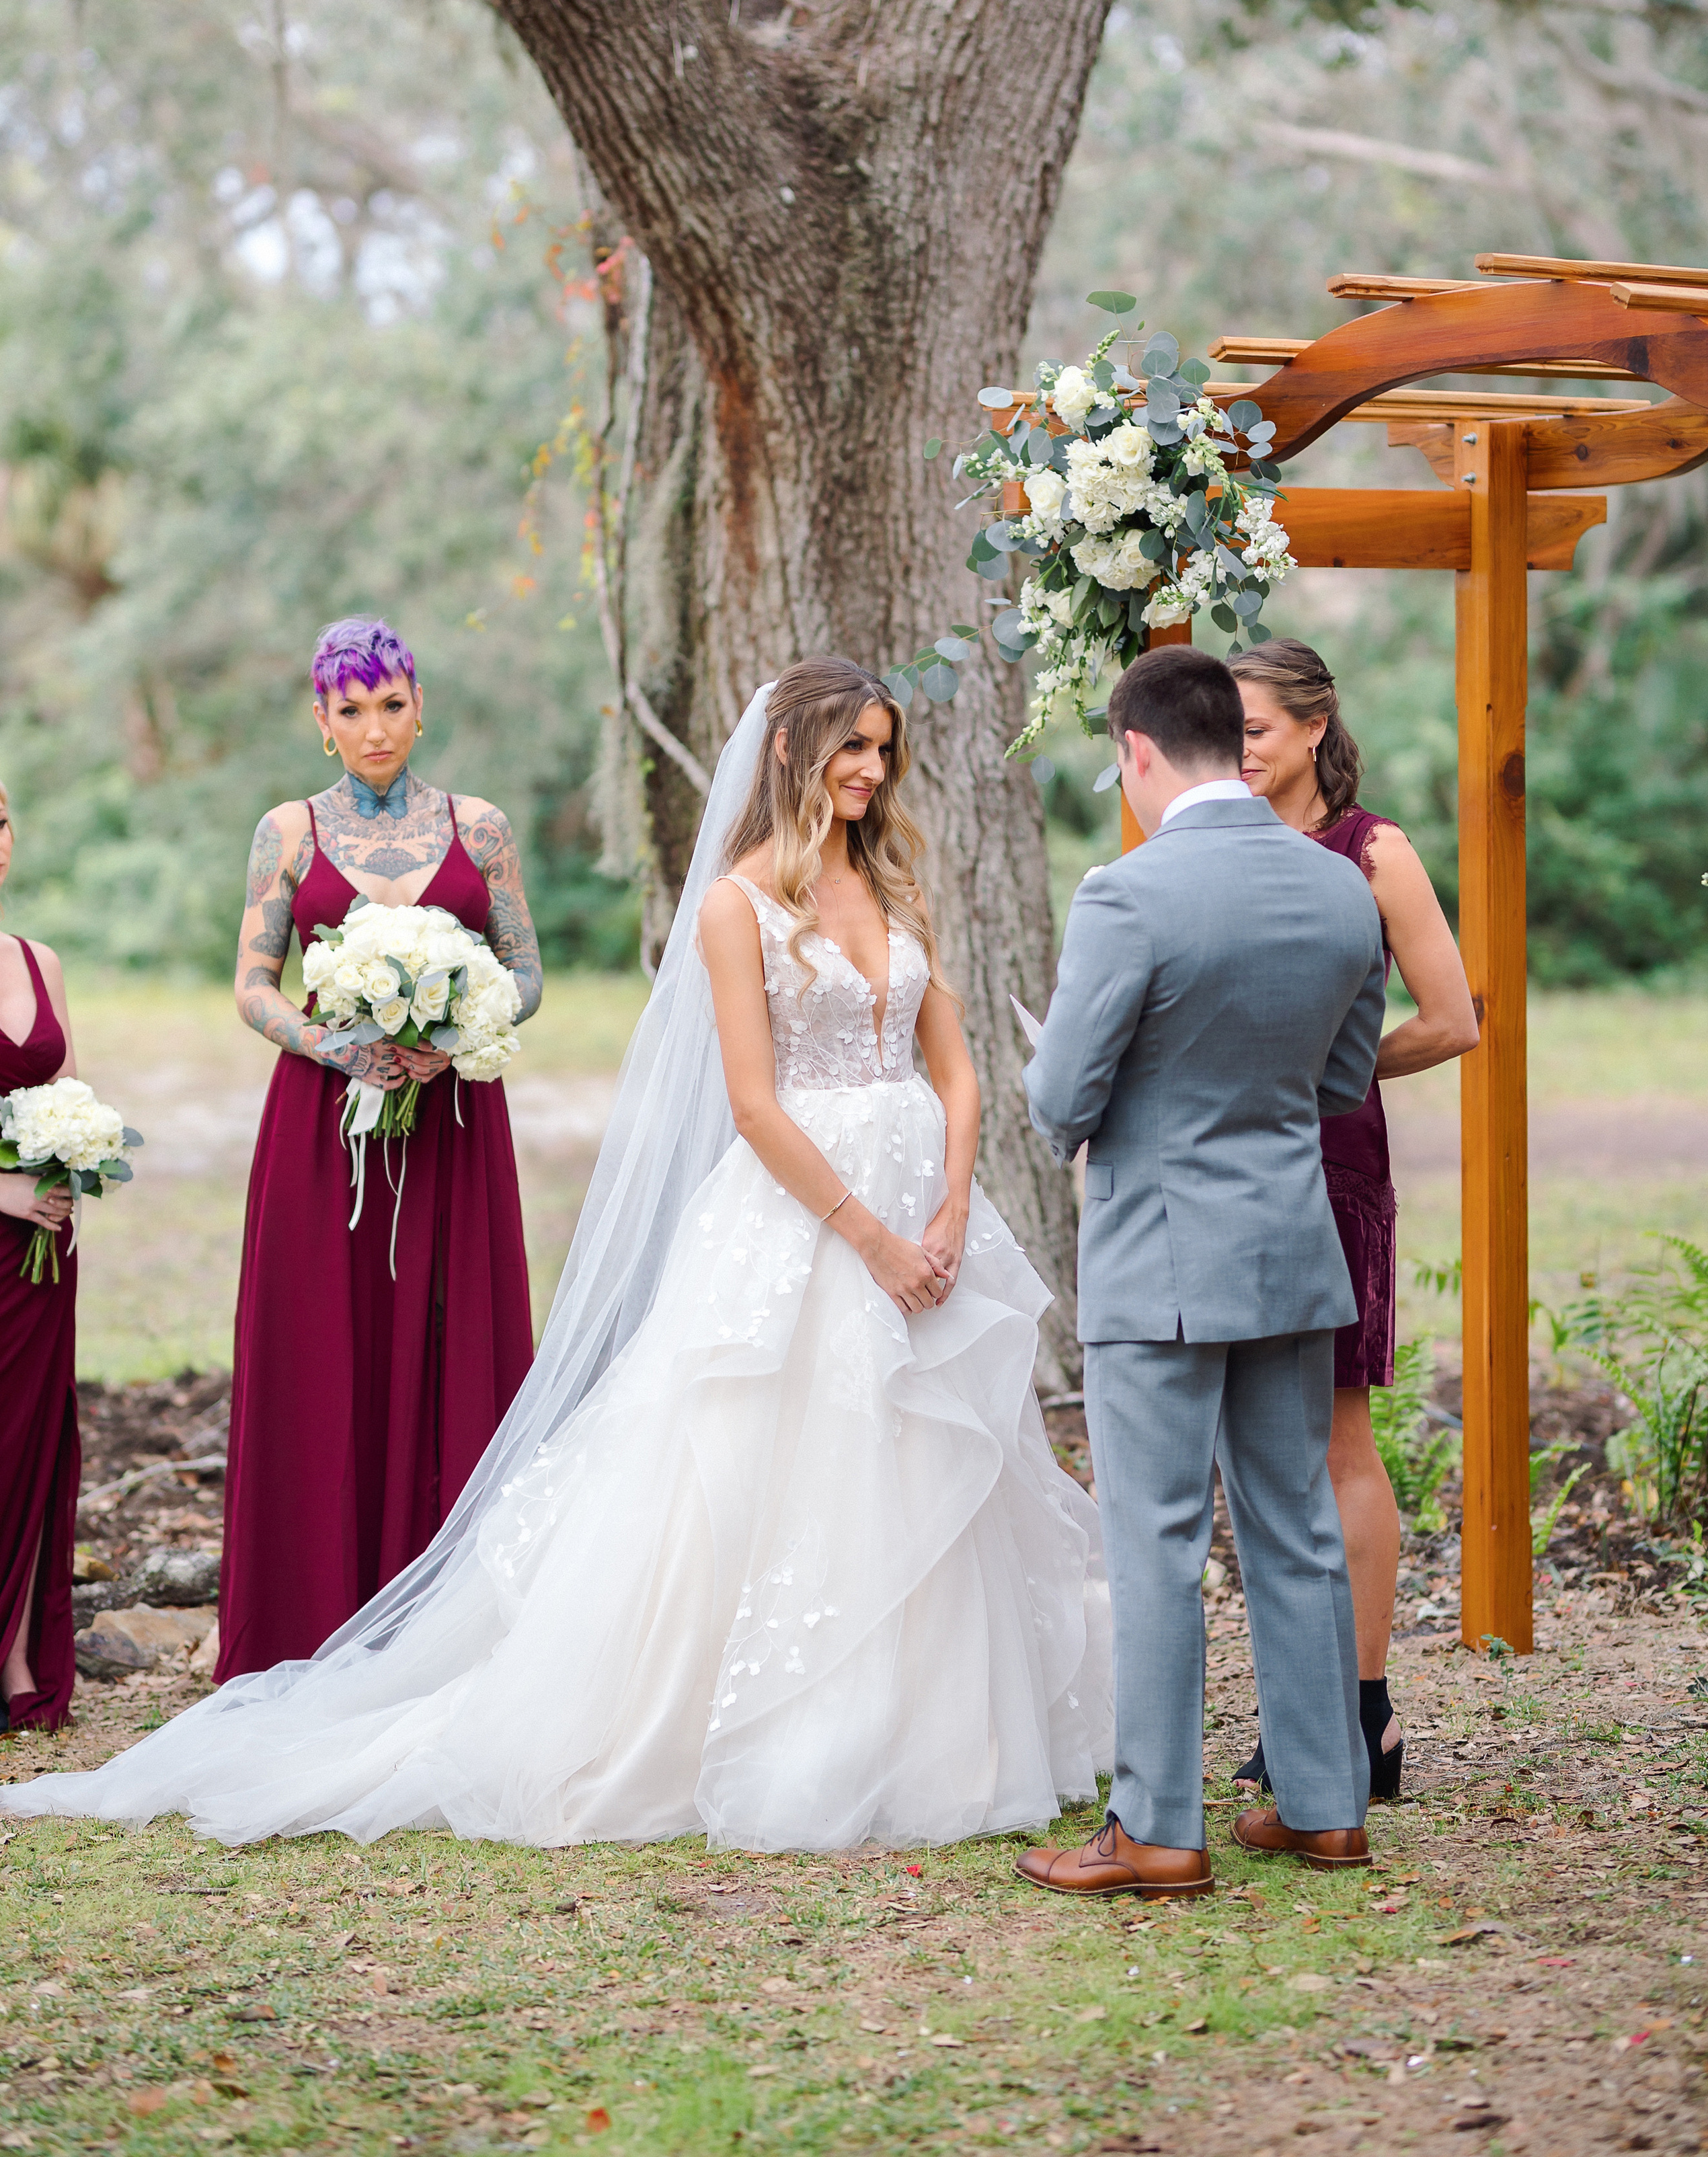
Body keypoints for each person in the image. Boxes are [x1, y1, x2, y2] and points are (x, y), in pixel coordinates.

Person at [0, 660, 1110, 1848]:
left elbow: (955, 1067)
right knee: (797, 1450)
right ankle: (783, 1730)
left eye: (884, 749)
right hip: (813, 1216)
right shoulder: (738, 905)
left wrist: (949, 1207)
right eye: (852, 746)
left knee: (927, 1449)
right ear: (791, 750)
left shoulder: (896, 887)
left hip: (926, 1207)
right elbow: (752, 1104)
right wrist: (875, 1240)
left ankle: (940, 1729)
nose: (872, 771)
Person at [1015, 644, 1385, 1900]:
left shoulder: (1128, 894)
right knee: (1297, 1529)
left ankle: (1160, 1827)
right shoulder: (1339, 886)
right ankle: (1328, 1807)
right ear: (1237, 741)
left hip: (1161, 1259)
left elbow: (1062, 1099)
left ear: (1137, 751)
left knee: (1157, 1542)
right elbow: (1341, 1082)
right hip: (1289, 1247)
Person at [215, 617, 540, 1680]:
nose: (374, 729)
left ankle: (450, 1628)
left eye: (391, 705)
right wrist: (335, 1046)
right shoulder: (288, 833)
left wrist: (460, 1031)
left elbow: (526, 973)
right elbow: (253, 983)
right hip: (323, 1133)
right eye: (350, 711)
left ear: (419, 705)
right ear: (322, 720)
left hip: (453, 1128)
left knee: (452, 1343)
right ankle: (311, 1619)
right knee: (323, 1353)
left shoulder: (480, 830)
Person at [1226, 639, 1477, 1803]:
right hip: (1226, 1162)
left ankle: (1364, 1714)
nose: (1237, 752)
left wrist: (1332, 1068)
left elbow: (1453, 1018)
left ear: (1314, 729)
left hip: (1330, 1160)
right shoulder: (1217, 840)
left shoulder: (1375, 851)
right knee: (1252, 1444)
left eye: (1255, 731)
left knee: (1335, 1436)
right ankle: (1295, 1702)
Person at [0, 783, 82, 1737]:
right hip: (4, 1213)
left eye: (0, 823)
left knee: (28, 1439)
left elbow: (62, 1095)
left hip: (39, 1250)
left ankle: (16, 1655)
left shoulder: (39, 962)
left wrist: (73, 1173)